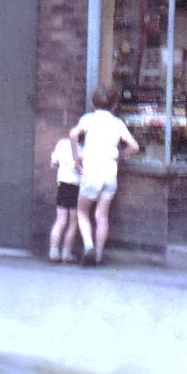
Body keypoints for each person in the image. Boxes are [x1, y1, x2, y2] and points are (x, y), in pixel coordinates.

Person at [70, 85, 139, 267]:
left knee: (82, 212)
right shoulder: (117, 123)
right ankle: (99, 256)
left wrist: (77, 158)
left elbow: (73, 134)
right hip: (110, 172)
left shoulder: (88, 119)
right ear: (114, 105)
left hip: (92, 170)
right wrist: (120, 155)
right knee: (102, 216)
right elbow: (134, 146)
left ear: (93, 103)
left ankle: (88, 246)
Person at [48, 132, 80, 263]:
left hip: (62, 185)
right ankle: (66, 253)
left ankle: (53, 252)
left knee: (60, 221)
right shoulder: (83, 147)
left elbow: (52, 164)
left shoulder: (61, 143)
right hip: (76, 187)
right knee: (73, 223)